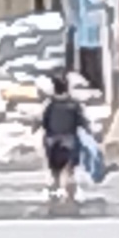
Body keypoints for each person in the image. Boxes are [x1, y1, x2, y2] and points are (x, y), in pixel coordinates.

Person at [41, 74, 88, 203]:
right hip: (69, 140)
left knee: (54, 166)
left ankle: (56, 184)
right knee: (69, 166)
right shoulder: (74, 104)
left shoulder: (50, 105)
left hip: (52, 140)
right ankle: (67, 188)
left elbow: (44, 123)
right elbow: (82, 122)